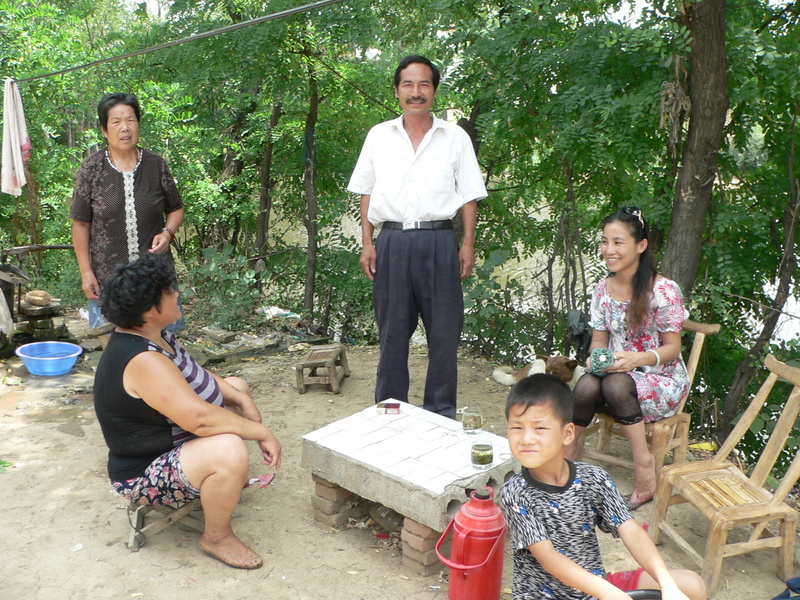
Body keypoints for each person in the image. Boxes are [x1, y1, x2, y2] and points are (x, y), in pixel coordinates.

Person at [94, 255, 281, 569]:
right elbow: (200, 420)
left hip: (172, 440)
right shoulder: (142, 360)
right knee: (229, 448)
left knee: (237, 386)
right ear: (148, 310)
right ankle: (217, 536)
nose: (177, 294)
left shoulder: (157, 337)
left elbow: (199, 374)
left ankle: (220, 483)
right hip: (143, 471)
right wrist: (262, 432)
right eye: (169, 292)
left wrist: (239, 397)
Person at [347, 54, 488, 418]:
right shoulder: (379, 136)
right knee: (393, 335)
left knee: (444, 336)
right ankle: (390, 413)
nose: (416, 92)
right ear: (397, 91)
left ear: (434, 91)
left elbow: (470, 195)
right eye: (408, 84)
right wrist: (367, 243)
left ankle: (440, 416)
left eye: (424, 84)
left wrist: (467, 245)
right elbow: (366, 190)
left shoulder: (454, 137)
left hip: (440, 243)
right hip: (391, 243)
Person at [498, 374, 706, 600]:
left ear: (567, 433)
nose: (526, 439)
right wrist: (609, 594)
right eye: (517, 428)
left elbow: (630, 529)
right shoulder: (514, 492)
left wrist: (667, 584)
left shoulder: (593, 478)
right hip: (554, 596)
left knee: (691, 585)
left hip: (597, 587)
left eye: (539, 428)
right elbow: (549, 558)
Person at [565, 206, 689, 511]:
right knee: (586, 385)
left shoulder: (664, 290)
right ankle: (570, 453)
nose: (609, 250)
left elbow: (673, 348)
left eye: (618, 242)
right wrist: (598, 358)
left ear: (640, 245)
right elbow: (598, 342)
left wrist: (636, 359)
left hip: (661, 380)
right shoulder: (602, 290)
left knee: (615, 385)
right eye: (605, 242)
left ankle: (644, 467)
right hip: (618, 374)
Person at [70, 92, 185, 332]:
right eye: (116, 122)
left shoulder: (156, 165)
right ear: (104, 130)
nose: (125, 128)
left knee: (166, 346)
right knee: (117, 350)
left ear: (138, 125)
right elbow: (80, 224)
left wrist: (167, 233)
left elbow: (175, 209)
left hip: (156, 276)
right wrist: (85, 272)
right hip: (109, 280)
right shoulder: (90, 169)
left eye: (130, 120)